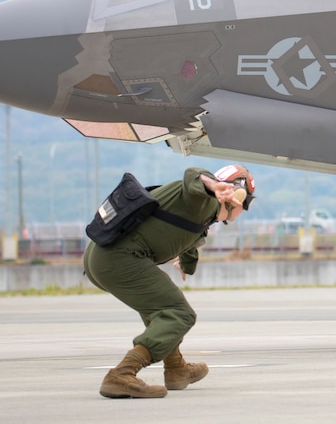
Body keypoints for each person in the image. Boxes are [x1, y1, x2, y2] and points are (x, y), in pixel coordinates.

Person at [83, 164, 256, 399]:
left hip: (103, 258)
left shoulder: (204, 213)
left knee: (160, 312)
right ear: (237, 197)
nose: (245, 210)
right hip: (117, 259)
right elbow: (193, 174)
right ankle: (122, 374)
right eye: (248, 203)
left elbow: (192, 234)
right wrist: (214, 185)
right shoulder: (203, 199)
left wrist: (186, 263)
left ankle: (176, 369)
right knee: (179, 313)